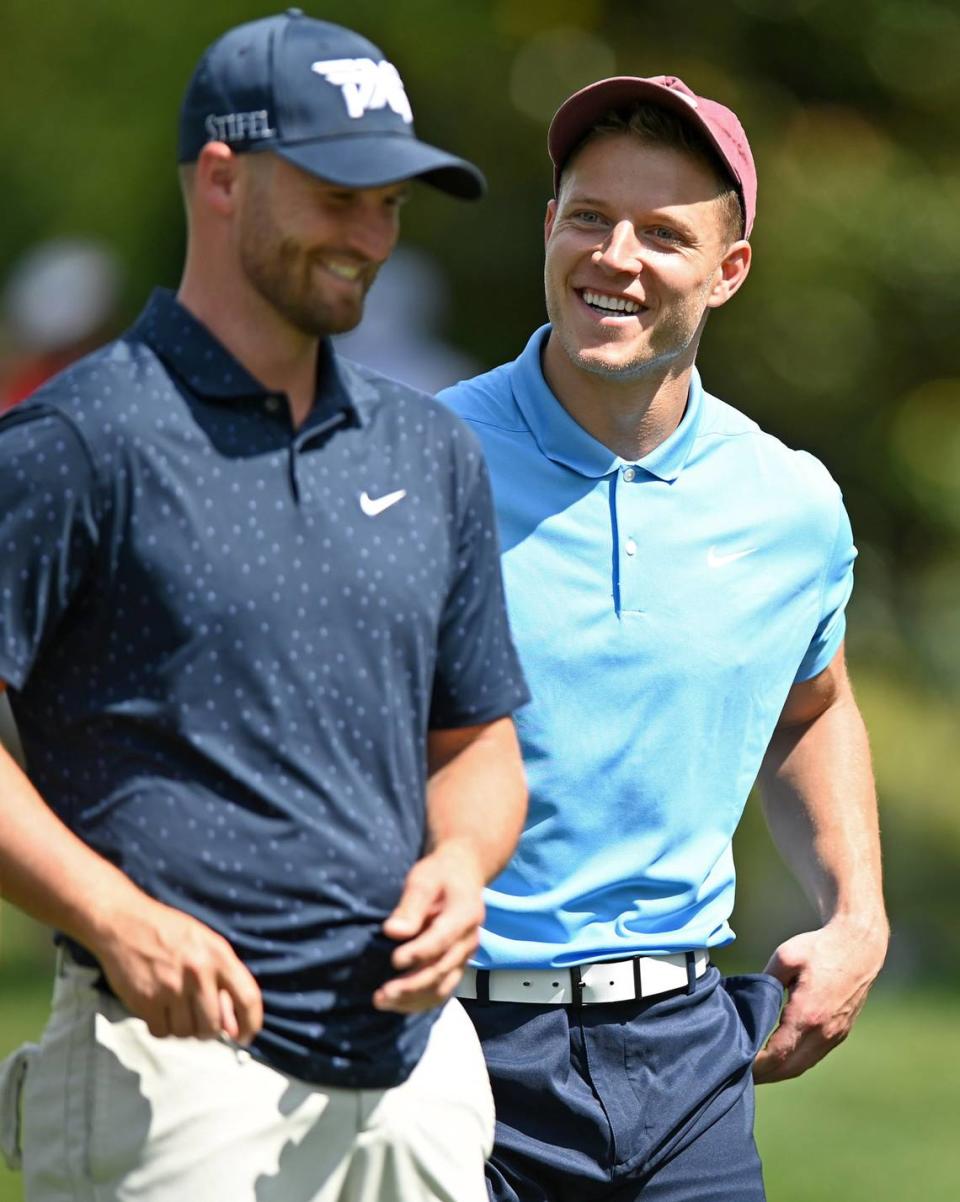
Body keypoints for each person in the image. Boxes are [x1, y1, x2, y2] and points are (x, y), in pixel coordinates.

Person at [0, 12, 529, 1202]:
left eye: (392, 200)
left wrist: (463, 856)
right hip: (172, 1062)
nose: (371, 234)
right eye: (340, 192)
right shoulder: (78, 440)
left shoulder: (431, 449)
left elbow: (480, 741)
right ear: (224, 179)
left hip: (412, 1069)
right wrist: (113, 913)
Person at [439, 75, 888, 1202]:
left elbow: (812, 705)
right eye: (589, 217)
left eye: (663, 232)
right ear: (548, 227)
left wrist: (857, 912)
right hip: (450, 1048)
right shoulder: (415, 463)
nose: (614, 256)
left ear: (729, 270)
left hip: (691, 1058)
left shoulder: (790, 504)